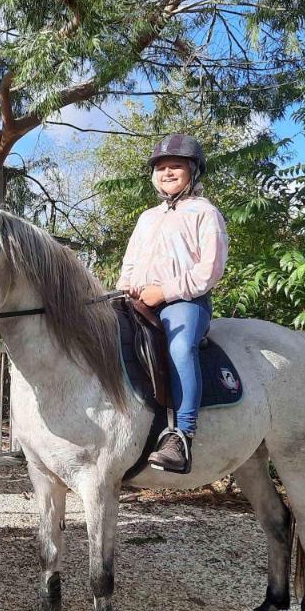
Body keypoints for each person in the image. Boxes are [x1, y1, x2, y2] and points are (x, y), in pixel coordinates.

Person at [116, 134, 228, 473]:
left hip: (186, 301)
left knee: (180, 349)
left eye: (175, 167)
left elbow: (209, 269)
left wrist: (164, 292)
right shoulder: (147, 217)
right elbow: (130, 263)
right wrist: (124, 289)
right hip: (139, 299)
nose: (167, 172)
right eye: (161, 167)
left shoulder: (205, 213)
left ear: (192, 171)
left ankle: (181, 435)